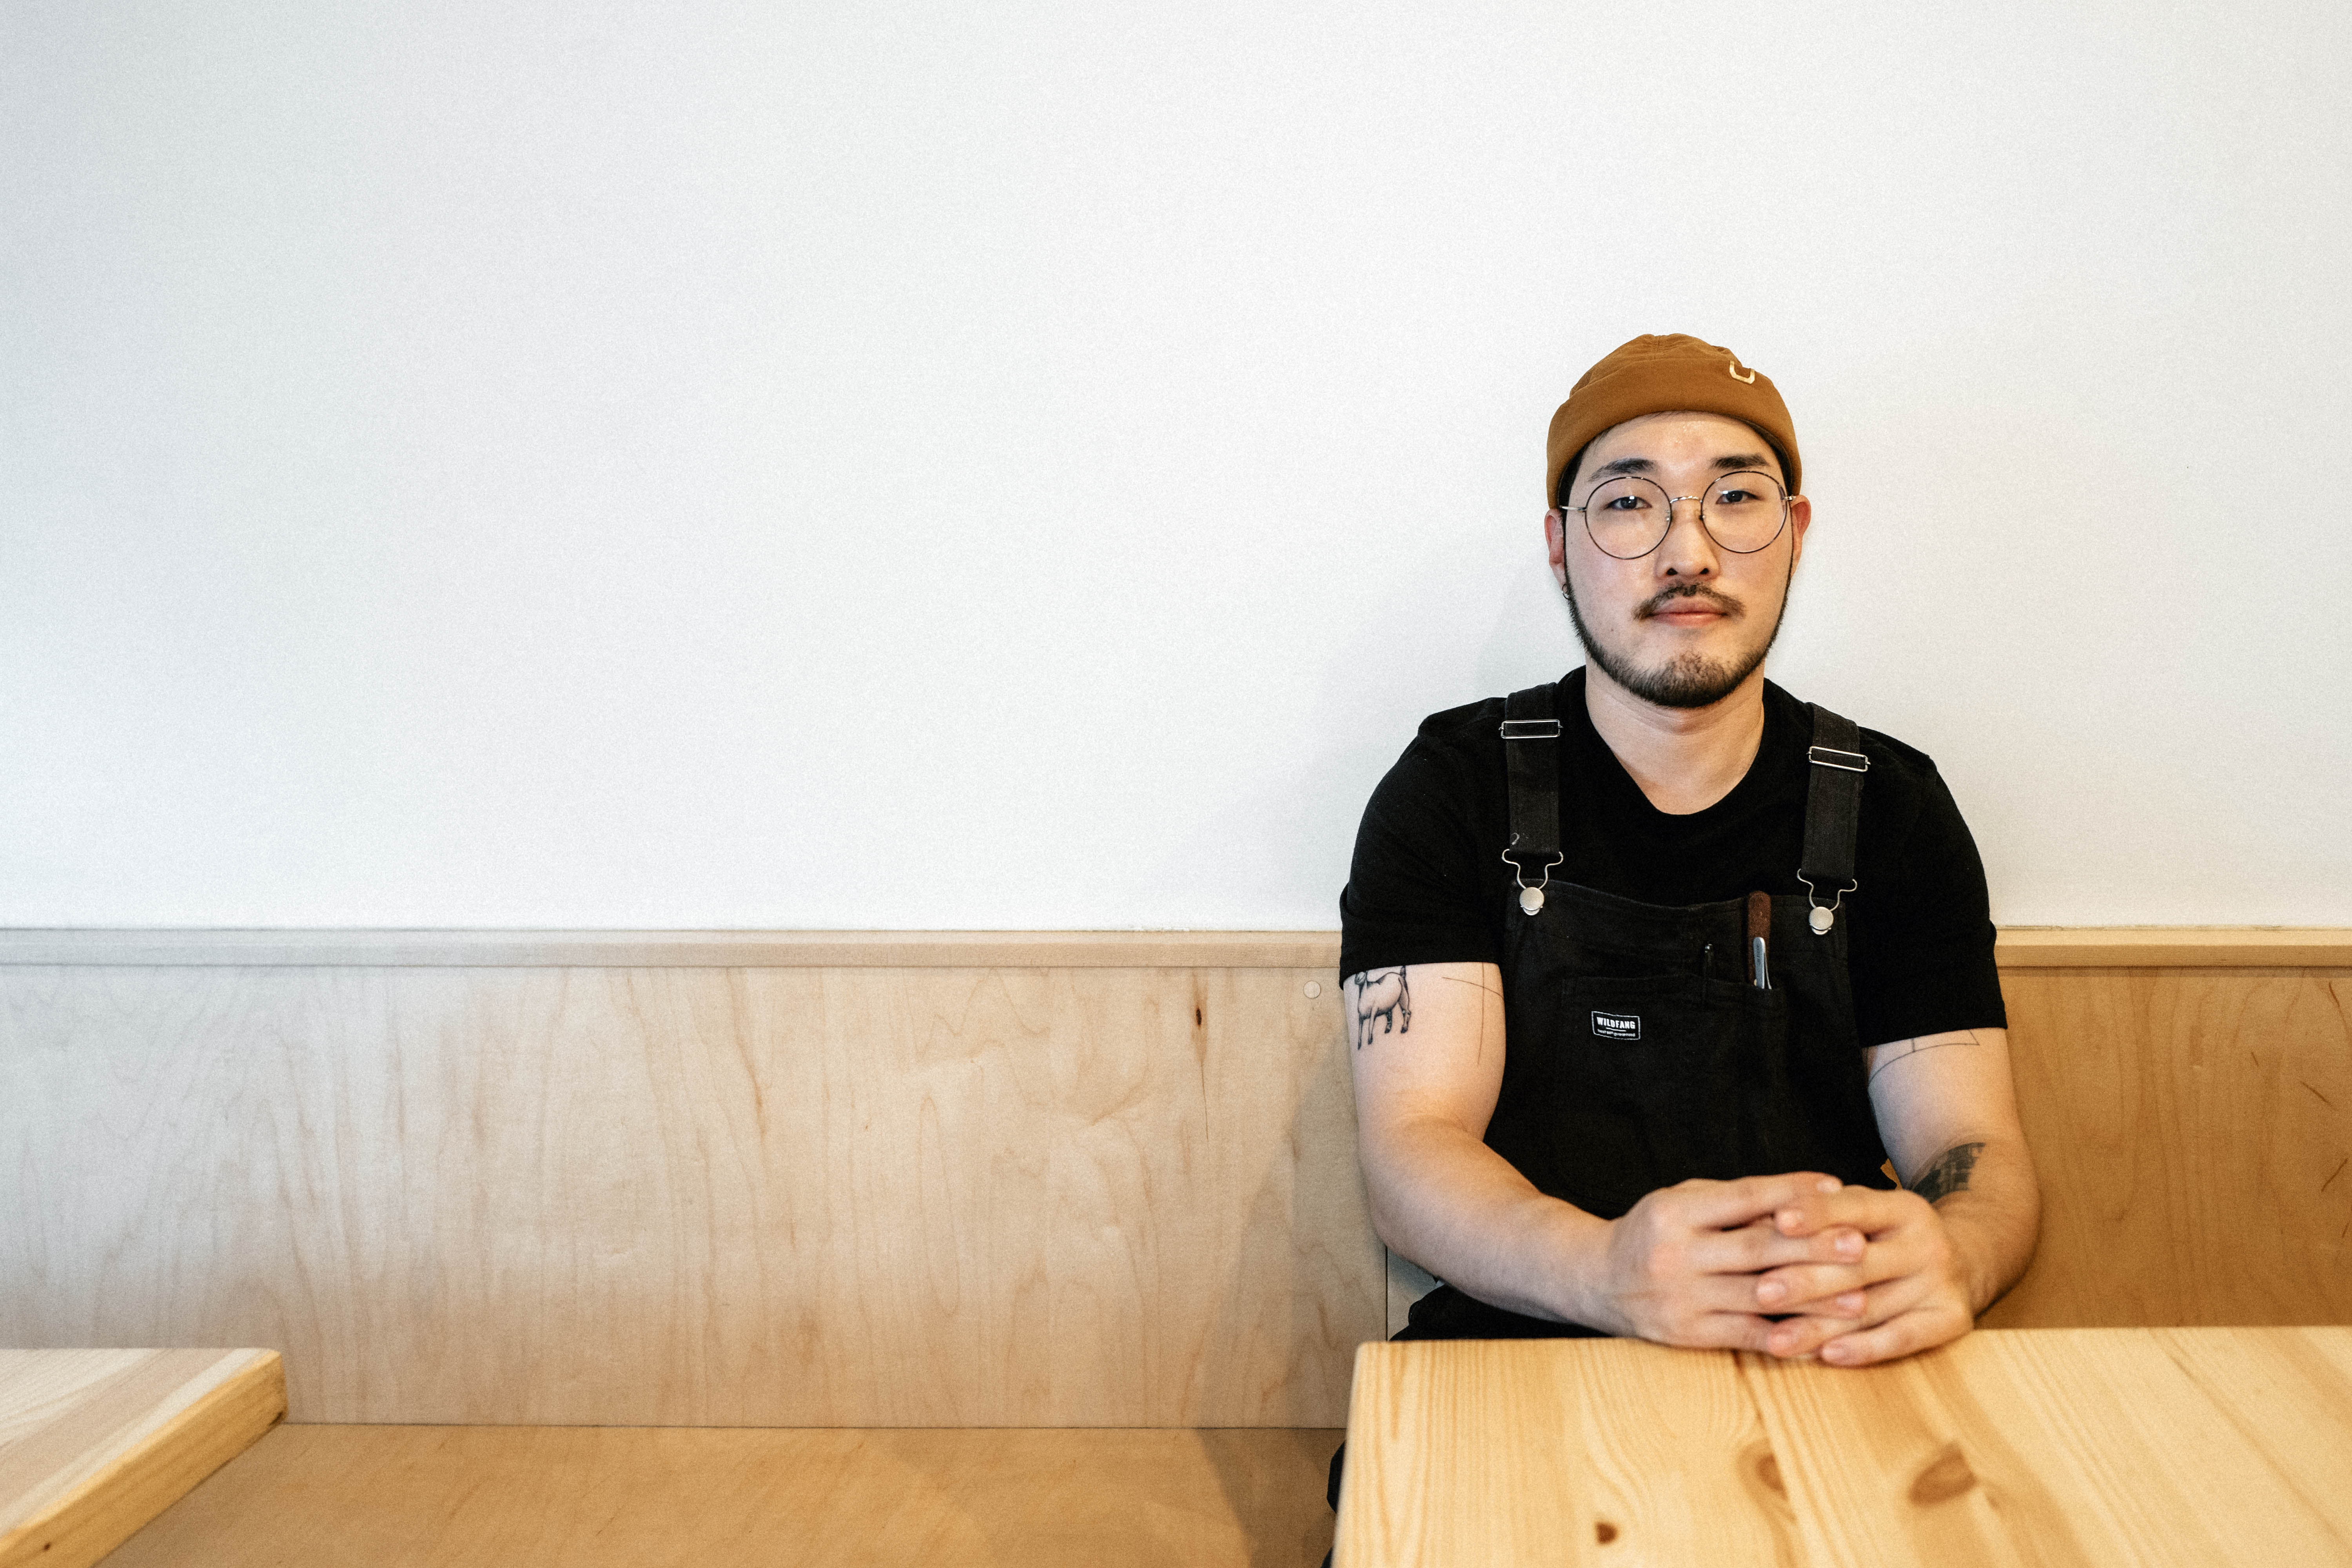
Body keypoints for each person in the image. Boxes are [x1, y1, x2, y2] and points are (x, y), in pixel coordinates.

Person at [1338, 333, 2041, 1377]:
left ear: (1795, 531)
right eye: (1628, 502)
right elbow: (1412, 1151)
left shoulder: (1892, 806)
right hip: (1519, 1352)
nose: (1689, 552)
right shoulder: (1454, 787)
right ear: (1557, 541)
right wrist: (1606, 1268)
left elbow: (1970, 1152)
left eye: (1737, 497)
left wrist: (1955, 1258)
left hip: (1824, 1350)